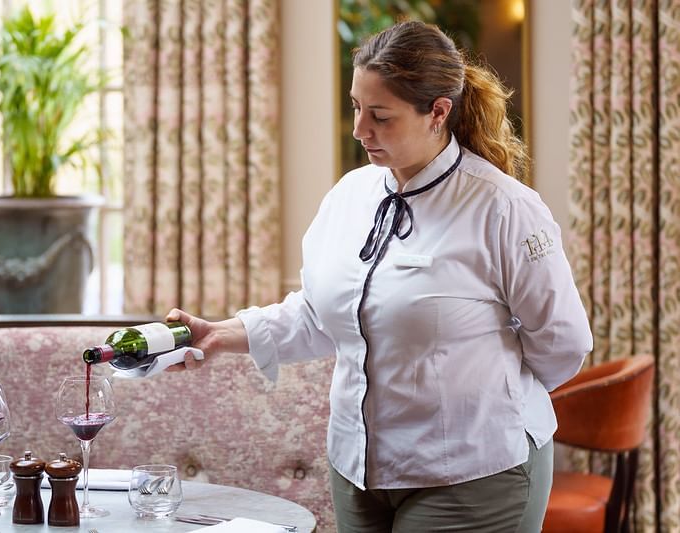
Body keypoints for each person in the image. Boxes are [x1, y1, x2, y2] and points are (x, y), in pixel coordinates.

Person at [165, 20, 593, 533]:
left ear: (438, 113)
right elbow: (320, 313)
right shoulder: (350, 196)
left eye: (381, 116)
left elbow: (563, 343)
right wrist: (219, 334)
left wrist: (484, 391)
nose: (359, 129)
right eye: (356, 107)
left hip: (474, 472)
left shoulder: (503, 208)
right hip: (358, 468)